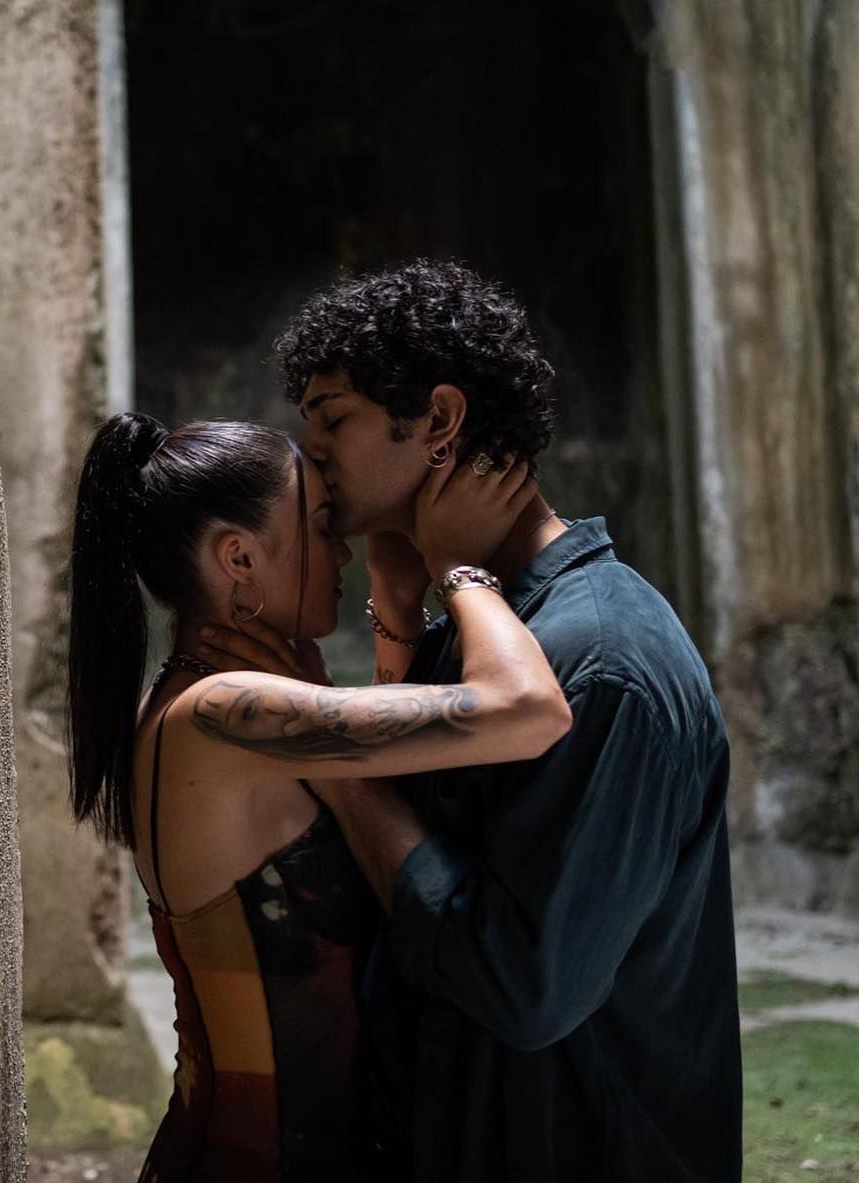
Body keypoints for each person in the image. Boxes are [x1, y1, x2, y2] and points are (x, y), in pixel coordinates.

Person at [262, 258, 744, 1182]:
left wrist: (334, 757)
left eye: (334, 418)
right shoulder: (478, 633)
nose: (309, 447)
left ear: (439, 422)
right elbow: (393, 898)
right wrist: (402, 616)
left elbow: (527, 987)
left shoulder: (601, 661)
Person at [66, 412, 573, 1183]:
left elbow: (378, 795)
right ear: (238, 557)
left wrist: (398, 621)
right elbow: (529, 707)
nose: (344, 551)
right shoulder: (225, 713)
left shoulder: (206, 703)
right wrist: (460, 567)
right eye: (322, 525)